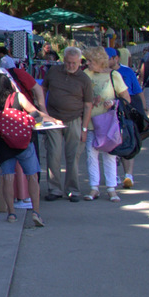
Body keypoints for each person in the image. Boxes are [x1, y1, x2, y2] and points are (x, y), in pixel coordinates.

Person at [0, 70, 46, 227]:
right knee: (32, 176)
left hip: (3, 147)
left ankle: (11, 213)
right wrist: (28, 119)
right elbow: (35, 112)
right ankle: (36, 211)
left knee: (8, 178)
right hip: (23, 143)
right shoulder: (17, 97)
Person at [40, 46, 96, 202]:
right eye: (68, 62)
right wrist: (43, 111)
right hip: (53, 118)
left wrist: (84, 128)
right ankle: (54, 189)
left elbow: (88, 105)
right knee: (53, 154)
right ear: (64, 60)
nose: (71, 66)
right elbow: (43, 89)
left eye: (74, 63)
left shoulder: (84, 79)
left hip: (74, 119)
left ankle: (73, 190)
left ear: (80, 62)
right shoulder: (53, 71)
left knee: (73, 156)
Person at [83, 49, 129, 202]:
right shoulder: (86, 74)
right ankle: (94, 187)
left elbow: (126, 99)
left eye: (90, 61)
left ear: (99, 61)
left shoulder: (114, 75)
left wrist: (114, 102)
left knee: (110, 156)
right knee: (91, 156)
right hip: (90, 122)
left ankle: (111, 188)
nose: (87, 63)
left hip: (108, 123)